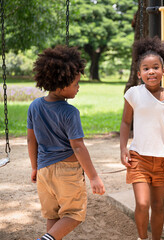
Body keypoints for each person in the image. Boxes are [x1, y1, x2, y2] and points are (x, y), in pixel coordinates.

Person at [27, 45, 105, 240]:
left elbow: (31, 139)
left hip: (44, 169)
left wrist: (34, 167)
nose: (79, 87)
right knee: (74, 214)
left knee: (53, 215)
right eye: (76, 83)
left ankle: (48, 238)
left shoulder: (35, 106)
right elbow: (78, 146)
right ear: (61, 85)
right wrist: (93, 176)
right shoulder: (70, 112)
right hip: (67, 171)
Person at [120, 36, 164, 240]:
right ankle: (142, 238)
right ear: (139, 74)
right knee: (142, 203)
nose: (151, 72)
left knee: (158, 206)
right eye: (146, 69)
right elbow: (125, 123)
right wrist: (123, 148)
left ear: (163, 70)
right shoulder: (133, 94)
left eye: (155, 67)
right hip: (139, 158)